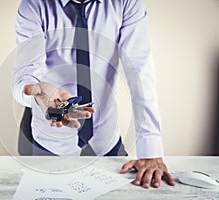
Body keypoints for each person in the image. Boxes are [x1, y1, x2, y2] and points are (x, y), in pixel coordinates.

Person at [12, 0, 176, 189]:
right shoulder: (34, 5)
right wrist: (36, 90)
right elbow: (27, 71)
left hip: (105, 136)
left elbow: (140, 74)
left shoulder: (126, 3)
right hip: (52, 137)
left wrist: (150, 151)